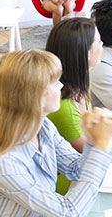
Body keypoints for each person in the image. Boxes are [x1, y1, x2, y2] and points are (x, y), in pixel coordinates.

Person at [0, 50, 112, 217]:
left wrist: (93, 141)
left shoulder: (43, 127)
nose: (61, 86)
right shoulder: (4, 163)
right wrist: (101, 146)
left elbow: (75, 170)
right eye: (55, 82)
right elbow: (72, 212)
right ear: (35, 95)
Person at [45, 17, 104, 194]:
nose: (102, 46)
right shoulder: (65, 108)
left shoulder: (80, 85)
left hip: (80, 170)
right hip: (66, 184)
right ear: (86, 53)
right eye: (98, 42)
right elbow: (91, 156)